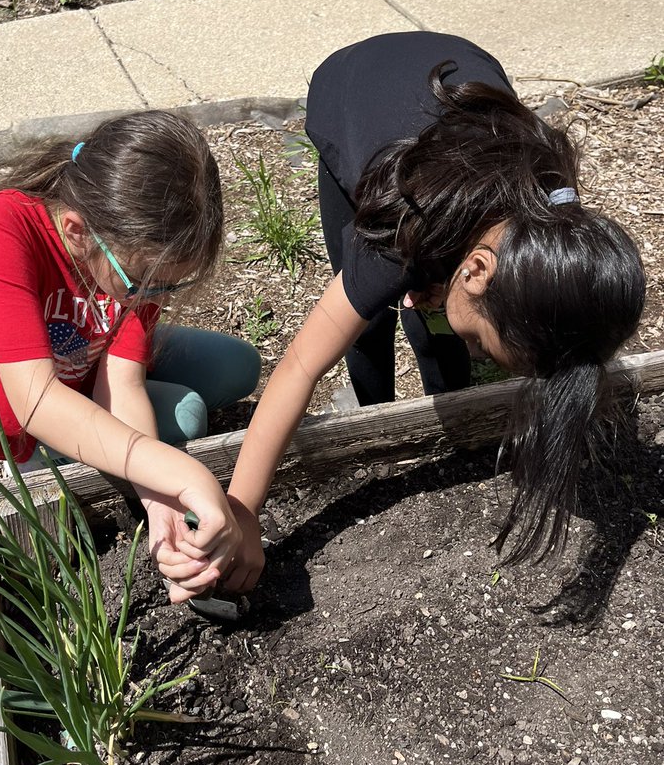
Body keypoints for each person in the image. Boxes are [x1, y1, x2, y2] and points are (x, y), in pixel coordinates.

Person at [173, 31, 645, 595]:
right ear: (475, 271)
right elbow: (300, 363)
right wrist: (243, 509)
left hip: (457, 88)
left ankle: (447, 396)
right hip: (352, 86)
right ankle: (376, 411)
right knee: (365, 319)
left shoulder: (558, 230)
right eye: (486, 347)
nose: (483, 350)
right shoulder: (400, 223)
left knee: (434, 319)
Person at [0, 110, 261, 598]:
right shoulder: (3, 226)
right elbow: (36, 400)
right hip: (26, 412)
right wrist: (180, 471)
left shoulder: (135, 243)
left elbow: (121, 382)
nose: (154, 296)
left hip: (85, 361)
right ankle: (36, 467)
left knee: (238, 365)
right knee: (186, 417)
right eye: (145, 282)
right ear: (78, 231)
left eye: (167, 285)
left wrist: (158, 496)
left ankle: (110, 455)